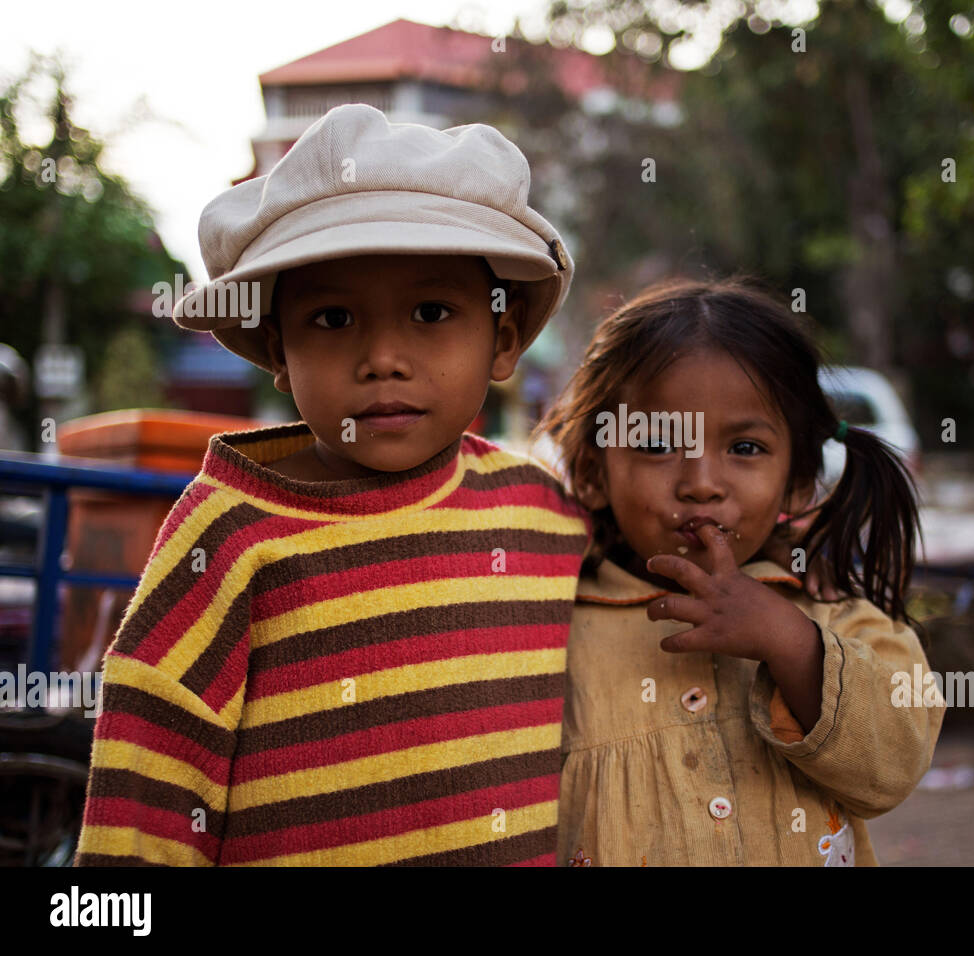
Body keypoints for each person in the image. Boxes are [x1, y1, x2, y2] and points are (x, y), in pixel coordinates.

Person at [74, 105, 589, 866]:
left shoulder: (547, 518)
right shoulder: (227, 535)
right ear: (279, 351)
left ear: (503, 340)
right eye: (334, 317)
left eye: (431, 312)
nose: (383, 357)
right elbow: (146, 786)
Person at [537, 277, 943, 866]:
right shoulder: (553, 631)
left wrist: (791, 643)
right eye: (655, 442)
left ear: (797, 479)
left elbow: (895, 766)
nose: (702, 482)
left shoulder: (830, 612)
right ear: (595, 471)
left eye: (746, 448)